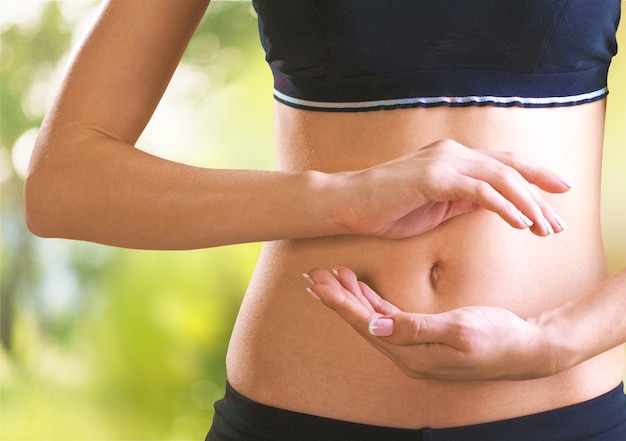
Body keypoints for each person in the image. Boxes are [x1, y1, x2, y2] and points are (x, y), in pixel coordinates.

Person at [23, 0, 625, 440]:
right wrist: (342, 196)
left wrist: (554, 341)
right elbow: (66, 185)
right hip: (291, 415)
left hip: (563, 412)